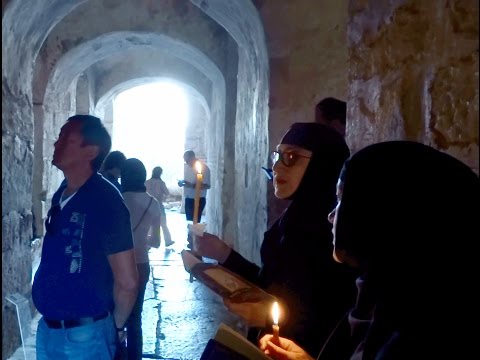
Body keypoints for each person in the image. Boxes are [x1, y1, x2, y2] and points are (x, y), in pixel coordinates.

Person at [259, 141, 479, 359]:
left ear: (378, 211)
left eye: (342, 200)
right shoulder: (378, 294)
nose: (331, 216)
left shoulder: (424, 332)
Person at [195, 123, 358, 356]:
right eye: (277, 156)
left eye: (291, 156)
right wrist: (224, 255)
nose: (277, 166)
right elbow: (272, 284)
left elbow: (338, 316)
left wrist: (271, 316)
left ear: (322, 164)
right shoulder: (291, 220)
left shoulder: (337, 234)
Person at [32, 115, 139, 359]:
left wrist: (115, 327)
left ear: (90, 151)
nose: (56, 144)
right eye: (59, 137)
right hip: (50, 330)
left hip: (84, 336)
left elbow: (128, 282)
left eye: (66, 140)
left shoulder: (106, 200)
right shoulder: (64, 191)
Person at [121, 158, 162, 360]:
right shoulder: (153, 204)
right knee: (135, 319)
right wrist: (142, 239)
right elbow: (156, 242)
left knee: (115, 316)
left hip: (117, 265)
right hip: (141, 264)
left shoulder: (117, 198)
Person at [178, 150, 211, 249]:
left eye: (187, 160)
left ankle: (196, 242)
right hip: (189, 197)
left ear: (192, 157)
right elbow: (188, 181)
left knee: (196, 222)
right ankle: (191, 240)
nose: (186, 163)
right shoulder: (188, 168)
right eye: (185, 161)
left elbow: (207, 185)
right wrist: (182, 182)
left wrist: (192, 185)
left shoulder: (204, 168)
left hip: (198, 198)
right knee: (189, 221)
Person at [146, 166, 174, 247]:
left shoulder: (147, 182)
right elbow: (167, 193)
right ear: (160, 173)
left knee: (149, 224)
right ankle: (168, 241)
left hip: (148, 205)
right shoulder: (161, 183)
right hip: (158, 205)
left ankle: (148, 243)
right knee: (163, 224)